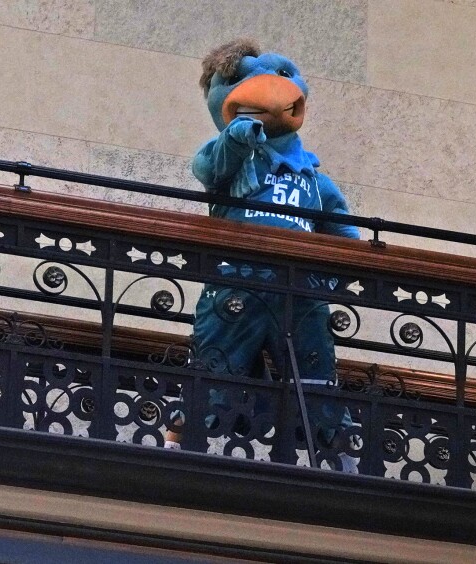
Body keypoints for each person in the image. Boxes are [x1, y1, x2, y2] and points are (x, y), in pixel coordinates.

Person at [163, 39, 359, 473]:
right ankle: (173, 447)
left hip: (302, 292)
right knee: (215, 364)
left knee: (317, 371)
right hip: (237, 283)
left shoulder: (313, 179)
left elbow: (343, 229)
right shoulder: (230, 156)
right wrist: (236, 136)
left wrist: (344, 269)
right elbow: (210, 169)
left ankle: (345, 462)